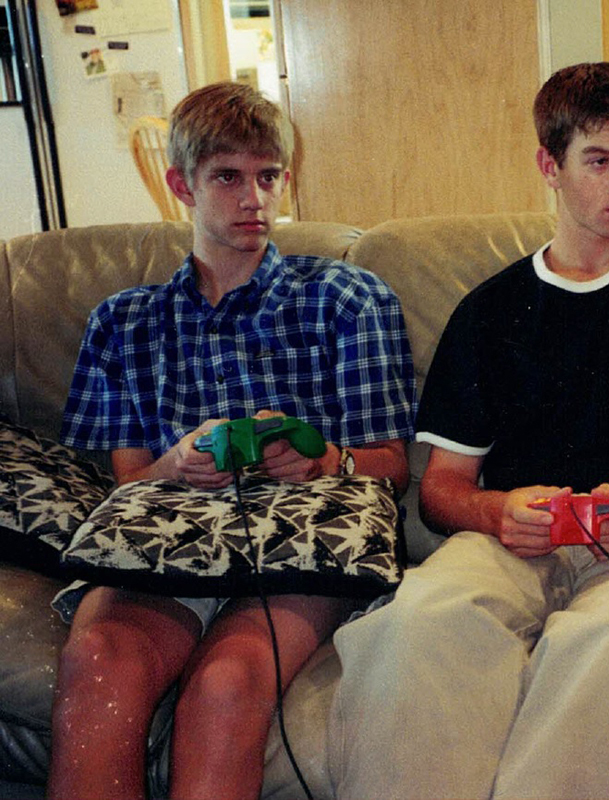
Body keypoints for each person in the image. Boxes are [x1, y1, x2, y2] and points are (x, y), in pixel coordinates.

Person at [329, 61, 609, 800]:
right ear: (548, 167)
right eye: (599, 160)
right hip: (513, 543)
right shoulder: (490, 313)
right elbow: (439, 491)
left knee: (602, 643)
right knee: (418, 620)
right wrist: (498, 512)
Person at [50, 82, 415, 800]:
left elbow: (392, 468)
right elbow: (128, 484)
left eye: (269, 177)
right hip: (166, 539)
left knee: (226, 683)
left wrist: (321, 458)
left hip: (297, 542)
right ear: (180, 184)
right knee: (97, 658)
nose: (255, 199)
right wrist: (176, 464)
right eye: (228, 177)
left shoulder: (348, 300)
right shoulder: (123, 322)